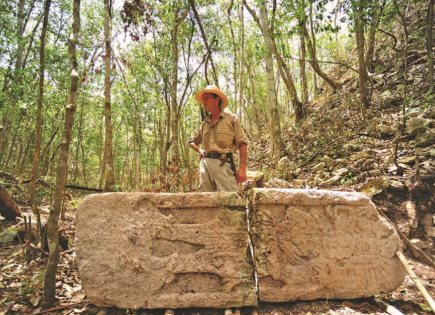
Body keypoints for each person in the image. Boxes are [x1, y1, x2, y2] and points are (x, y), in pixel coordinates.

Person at [189, 85, 248, 192]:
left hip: (223, 164)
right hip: (205, 165)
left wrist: (242, 168)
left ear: (217, 100)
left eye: (207, 98)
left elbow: (242, 144)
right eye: (203, 99)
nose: (204, 102)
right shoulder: (204, 123)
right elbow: (192, 141)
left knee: (231, 199)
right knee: (205, 200)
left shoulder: (231, 119)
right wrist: (199, 150)